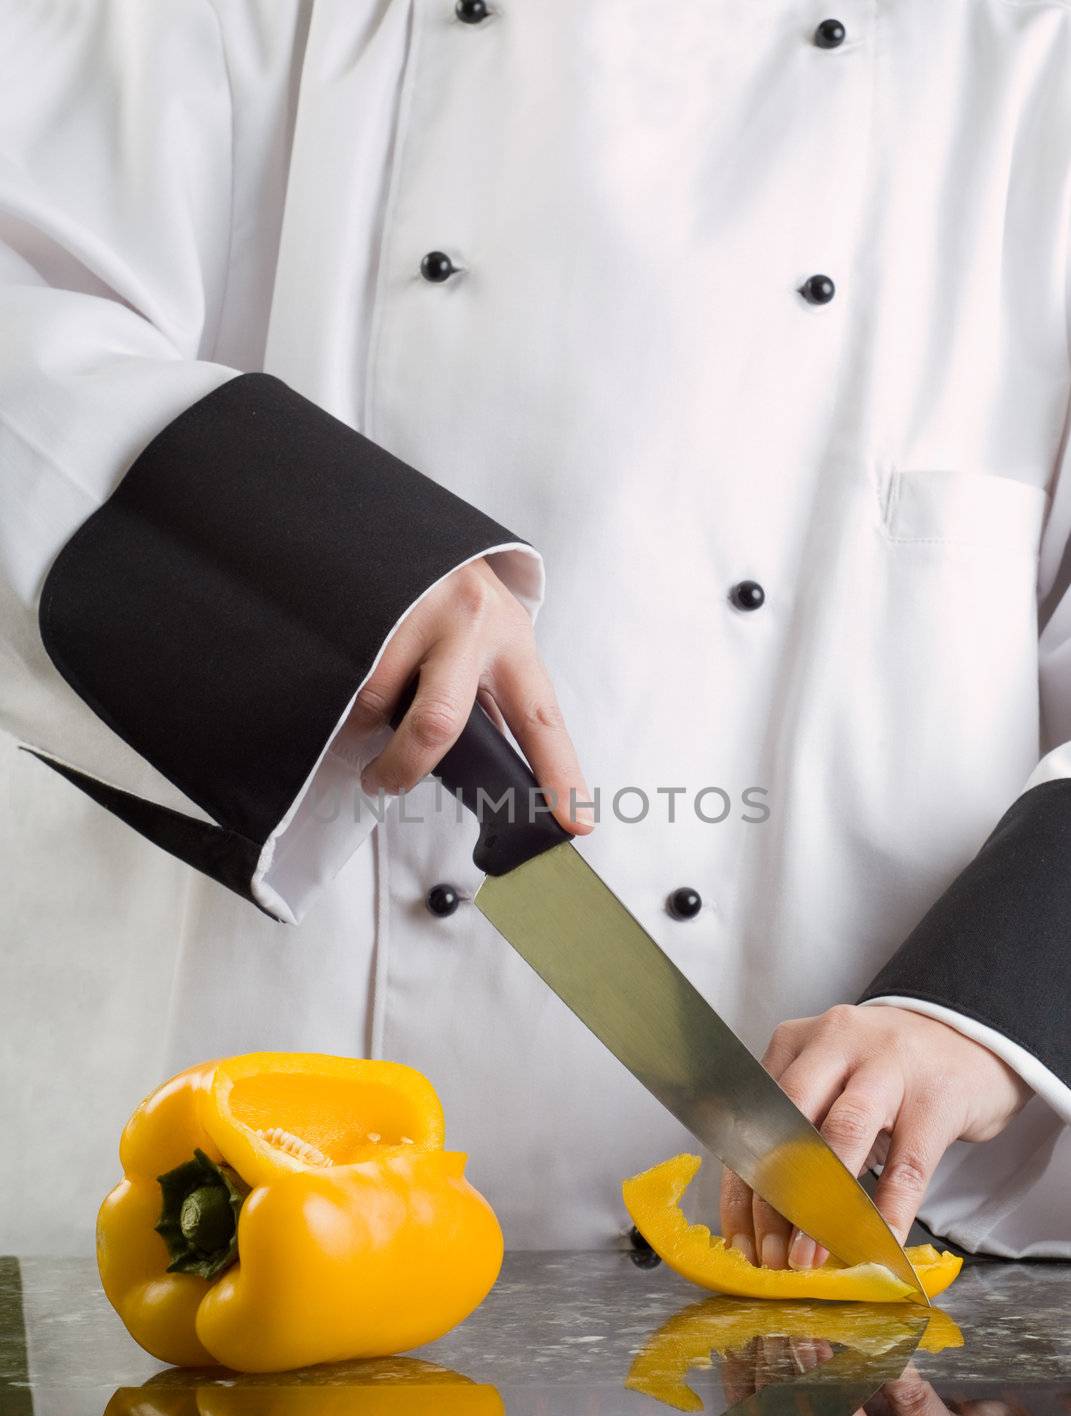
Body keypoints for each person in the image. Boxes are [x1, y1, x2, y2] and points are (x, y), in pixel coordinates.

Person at [1, 0, 1069, 1262]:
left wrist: (997, 1008)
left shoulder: (1031, 60)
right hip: (275, 1219)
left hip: (868, 1230)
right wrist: (319, 567)